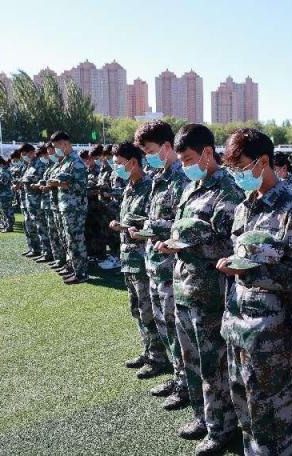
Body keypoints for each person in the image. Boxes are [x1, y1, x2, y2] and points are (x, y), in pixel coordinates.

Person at [217, 128, 292, 455]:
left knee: (272, 418)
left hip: (271, 336)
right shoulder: (244, 207)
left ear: (262, 162)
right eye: (232, 169)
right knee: (245, 411)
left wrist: (249, 270)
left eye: (241, 167)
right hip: (237, 327)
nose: (237, 175)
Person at [156, 124, 243, 455]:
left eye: (189, 159)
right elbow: (181, 229)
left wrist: (186, 246)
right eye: (181, 160)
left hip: (210, 294)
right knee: (190, 359)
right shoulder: (192, 187)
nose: (185, 166)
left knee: (213, 366)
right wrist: (176, 242)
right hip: (184, 287)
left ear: (208, 153)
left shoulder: (228, 190)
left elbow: (230, 245)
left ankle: (222, 427)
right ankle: (202, 417)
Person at [129, 121, 191, 409]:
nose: (148, 157)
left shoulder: (182, 179)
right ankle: (178, 376)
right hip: (154, 265)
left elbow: (183, 226)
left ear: (167, 147)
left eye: (150, 150)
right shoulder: (159, 178)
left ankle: (186, 384)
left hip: (172, 268)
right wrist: (145, 227)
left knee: (178, 331)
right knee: (164, 326)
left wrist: (152, 228)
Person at [107, 142, 169, 379]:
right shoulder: (129, 187)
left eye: (119, 163)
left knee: (148, 311)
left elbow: (153, 222)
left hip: (144, 258)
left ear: (133, 162)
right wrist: (121, 226)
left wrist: (131, 227)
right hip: (128, 257)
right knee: (136, 308)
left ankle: (158, 358)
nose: (116, 168)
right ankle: (147, 350)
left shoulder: (149, 187)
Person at [48, 131, 89, 285]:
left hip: (75, 208)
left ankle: (81, 273)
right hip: (65, 206)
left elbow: (81, 186)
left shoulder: (76, 162)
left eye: (56, 147)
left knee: (76, 240)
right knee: (67, 239)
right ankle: (72, 267)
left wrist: (59, 184)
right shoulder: (65, 161)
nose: (55, 150)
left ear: (65, 144)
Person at [97, 144, 123, 270]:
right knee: (112, 235)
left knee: (119, 236)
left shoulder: (123, 171)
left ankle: (118, 259)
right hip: (112, 207)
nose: (108, 160)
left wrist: (110, 193)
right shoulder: (114, 171)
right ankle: (115, 256)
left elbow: (125, 190)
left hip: (120, 208)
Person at [0, 157, 15, 233]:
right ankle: (6, 224)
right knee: (4, 211)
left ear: (1, 164)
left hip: (6, 194)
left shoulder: (5, 172)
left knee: (8, 211)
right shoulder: (2, 171)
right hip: (2, 193)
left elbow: (2, 183)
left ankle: (9, 226)